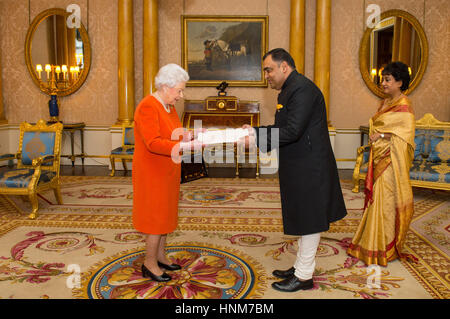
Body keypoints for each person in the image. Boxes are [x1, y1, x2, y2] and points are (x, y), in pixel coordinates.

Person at [242, 48, 347, 292]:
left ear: (284, 67)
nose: (266, 75)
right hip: (300, 163)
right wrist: (255, 132)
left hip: (309, 166)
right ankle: (301, 265)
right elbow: (286, 128)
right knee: (303, 215)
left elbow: (292, 131)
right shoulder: (290, 89)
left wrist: (256, 136)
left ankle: (303, 276)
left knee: (310, 219)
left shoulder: (302, 89)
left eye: (269, 69)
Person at [132, 63, 197, 282]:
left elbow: (174, 134)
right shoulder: (148, 106)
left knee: (166, 214)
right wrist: (184, 147)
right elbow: (152, 142)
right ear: (165, 86)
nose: (181, 95)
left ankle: (160, 256)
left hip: (168, 169)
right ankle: (149, 263)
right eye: (179, 90)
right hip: (152, 172)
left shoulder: (168, 106)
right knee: (155, 219)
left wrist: (190, 135)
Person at [347, 61, 415, 266]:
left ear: (399, 82)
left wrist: (382, 134)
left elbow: (405, 135)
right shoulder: (384, 103)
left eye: (387, 79)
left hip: (391, 161)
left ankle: (382, 246)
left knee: (383, 200)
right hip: (379, 157)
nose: (383, 83)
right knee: (375, 198)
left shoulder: (404, 105)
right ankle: (369, 239)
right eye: (383, 79)